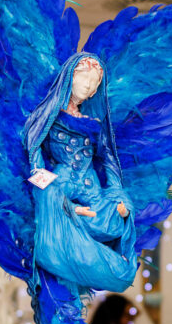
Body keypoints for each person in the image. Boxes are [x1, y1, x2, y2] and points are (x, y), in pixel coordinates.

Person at [25, 53, 137, 293]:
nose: (88, 86)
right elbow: (34, 156)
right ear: (70, 77)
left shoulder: (93, 122)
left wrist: (118, 196)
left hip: (91, 187)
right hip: (62, 183)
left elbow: (108, 158)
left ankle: (112, 262)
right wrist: (63, 203)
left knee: (116, 217)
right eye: (84, 78)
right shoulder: (49, 116)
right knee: (50, 197)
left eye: (94, 82)